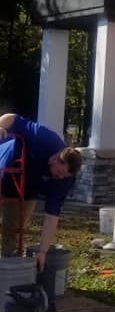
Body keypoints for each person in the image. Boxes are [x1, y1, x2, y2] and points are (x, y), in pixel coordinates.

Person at [0, 113, 82, 270]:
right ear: (58, 158)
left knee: (13, 231)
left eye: (65, 176)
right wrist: (1, 126)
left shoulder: (65, 180)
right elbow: (11, 118)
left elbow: (52, 216)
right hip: (5, 170)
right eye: (61, 172)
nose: (61, 177)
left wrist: (42, 251)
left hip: (26, 190)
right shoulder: (43, 137)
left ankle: (7, 275)